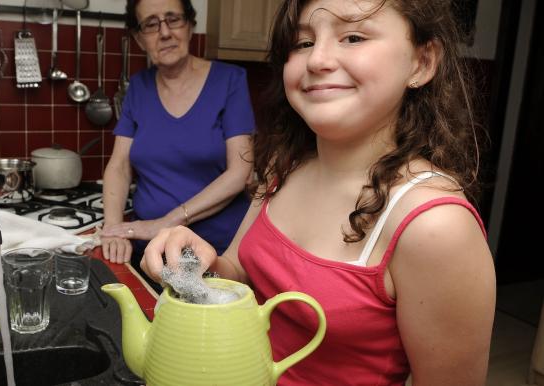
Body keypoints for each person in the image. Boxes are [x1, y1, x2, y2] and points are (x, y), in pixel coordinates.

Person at [141, 0, 496, 384]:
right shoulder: (285, 166)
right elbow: (239, 274)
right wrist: (195, 259)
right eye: (303, 43)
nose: (317, 60)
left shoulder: (436, 227)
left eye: (353, 36)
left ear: (422, 62)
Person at [99, 0, 256, 281]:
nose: (165, 32)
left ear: (190, 25)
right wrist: (114, 229)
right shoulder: (138, 86)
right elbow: (119, 165)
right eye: (150, 24)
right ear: (139, 38)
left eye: (173, 19)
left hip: (215, 254)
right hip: (149, 254)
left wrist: (162, 223)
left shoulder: (230, 80)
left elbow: (240, 173)